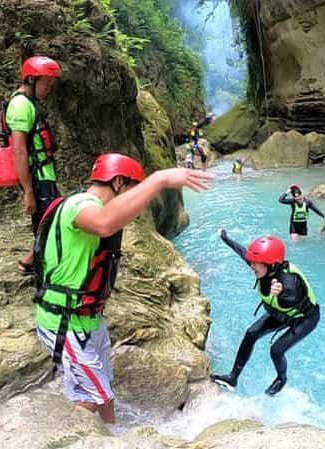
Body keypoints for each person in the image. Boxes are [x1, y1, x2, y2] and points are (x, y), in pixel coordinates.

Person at [33, 153, 213, 424]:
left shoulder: (84, 204)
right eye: (133, 189)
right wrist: (159, 179)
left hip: (87, 319)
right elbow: (104, 223)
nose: (137, 205)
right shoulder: (82, 204)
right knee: (91, 395)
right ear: (118, 182)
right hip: (64, 322)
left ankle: (111, 433)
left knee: (103, 387)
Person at [211, 229, 320, 396]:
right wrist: (225, 238)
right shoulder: (264, 266)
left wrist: (280, 293)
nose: (252, 265)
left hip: (305, 318)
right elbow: (242, 252)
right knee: (250, 334)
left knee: (276, 350)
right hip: (281, 314)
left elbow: (289, 300)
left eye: (256, 263)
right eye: (252, 262)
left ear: (271, 264)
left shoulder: (288, 282)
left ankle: (281, 378)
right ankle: (232, 378)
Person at [7, 56, 64, 276]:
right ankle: (36, 267)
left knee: (50, 219)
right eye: (46, 82)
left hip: (44, 175)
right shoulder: (21, 105)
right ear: (31, 79)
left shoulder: (29, 103)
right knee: (47, 224)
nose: (49, 87)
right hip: (38, 178)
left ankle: (31, 262)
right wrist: (28, 191)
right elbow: (19, 150)